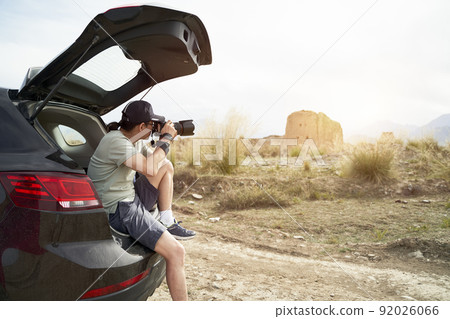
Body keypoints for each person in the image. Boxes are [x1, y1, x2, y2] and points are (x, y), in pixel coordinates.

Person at [87, 100, 195, 300]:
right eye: (151, 125)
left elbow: (156, 161)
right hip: (119, 209)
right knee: (176, 252)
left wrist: (163, 138)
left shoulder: (134, 139)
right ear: (141, 126)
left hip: (130, 197)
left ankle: (166, 219)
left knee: (167, 166)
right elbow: (150, 169)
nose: (153, 129)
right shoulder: (115, 142)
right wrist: (166, 139)